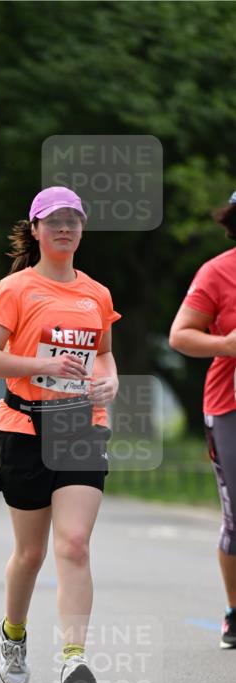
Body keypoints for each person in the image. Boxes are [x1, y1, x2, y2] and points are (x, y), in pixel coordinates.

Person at [0, 186, 120, 683]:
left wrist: (111, 380)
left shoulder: (96, 294)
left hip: (81, 426)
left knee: (75, 545)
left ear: (82, 230)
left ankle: (72, 661)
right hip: (24, 427)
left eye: (73, 220)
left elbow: (103, 354)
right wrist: (42, 365)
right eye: (53, 220)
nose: (65, 228)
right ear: (35, 230)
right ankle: (13, 635)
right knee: (31, 552)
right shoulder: (16, 288)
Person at [169, 191, 236, 648]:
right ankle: (235, 610)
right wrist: (226, 345)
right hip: (230, 404)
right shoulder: (217, 272)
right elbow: (180, 335)